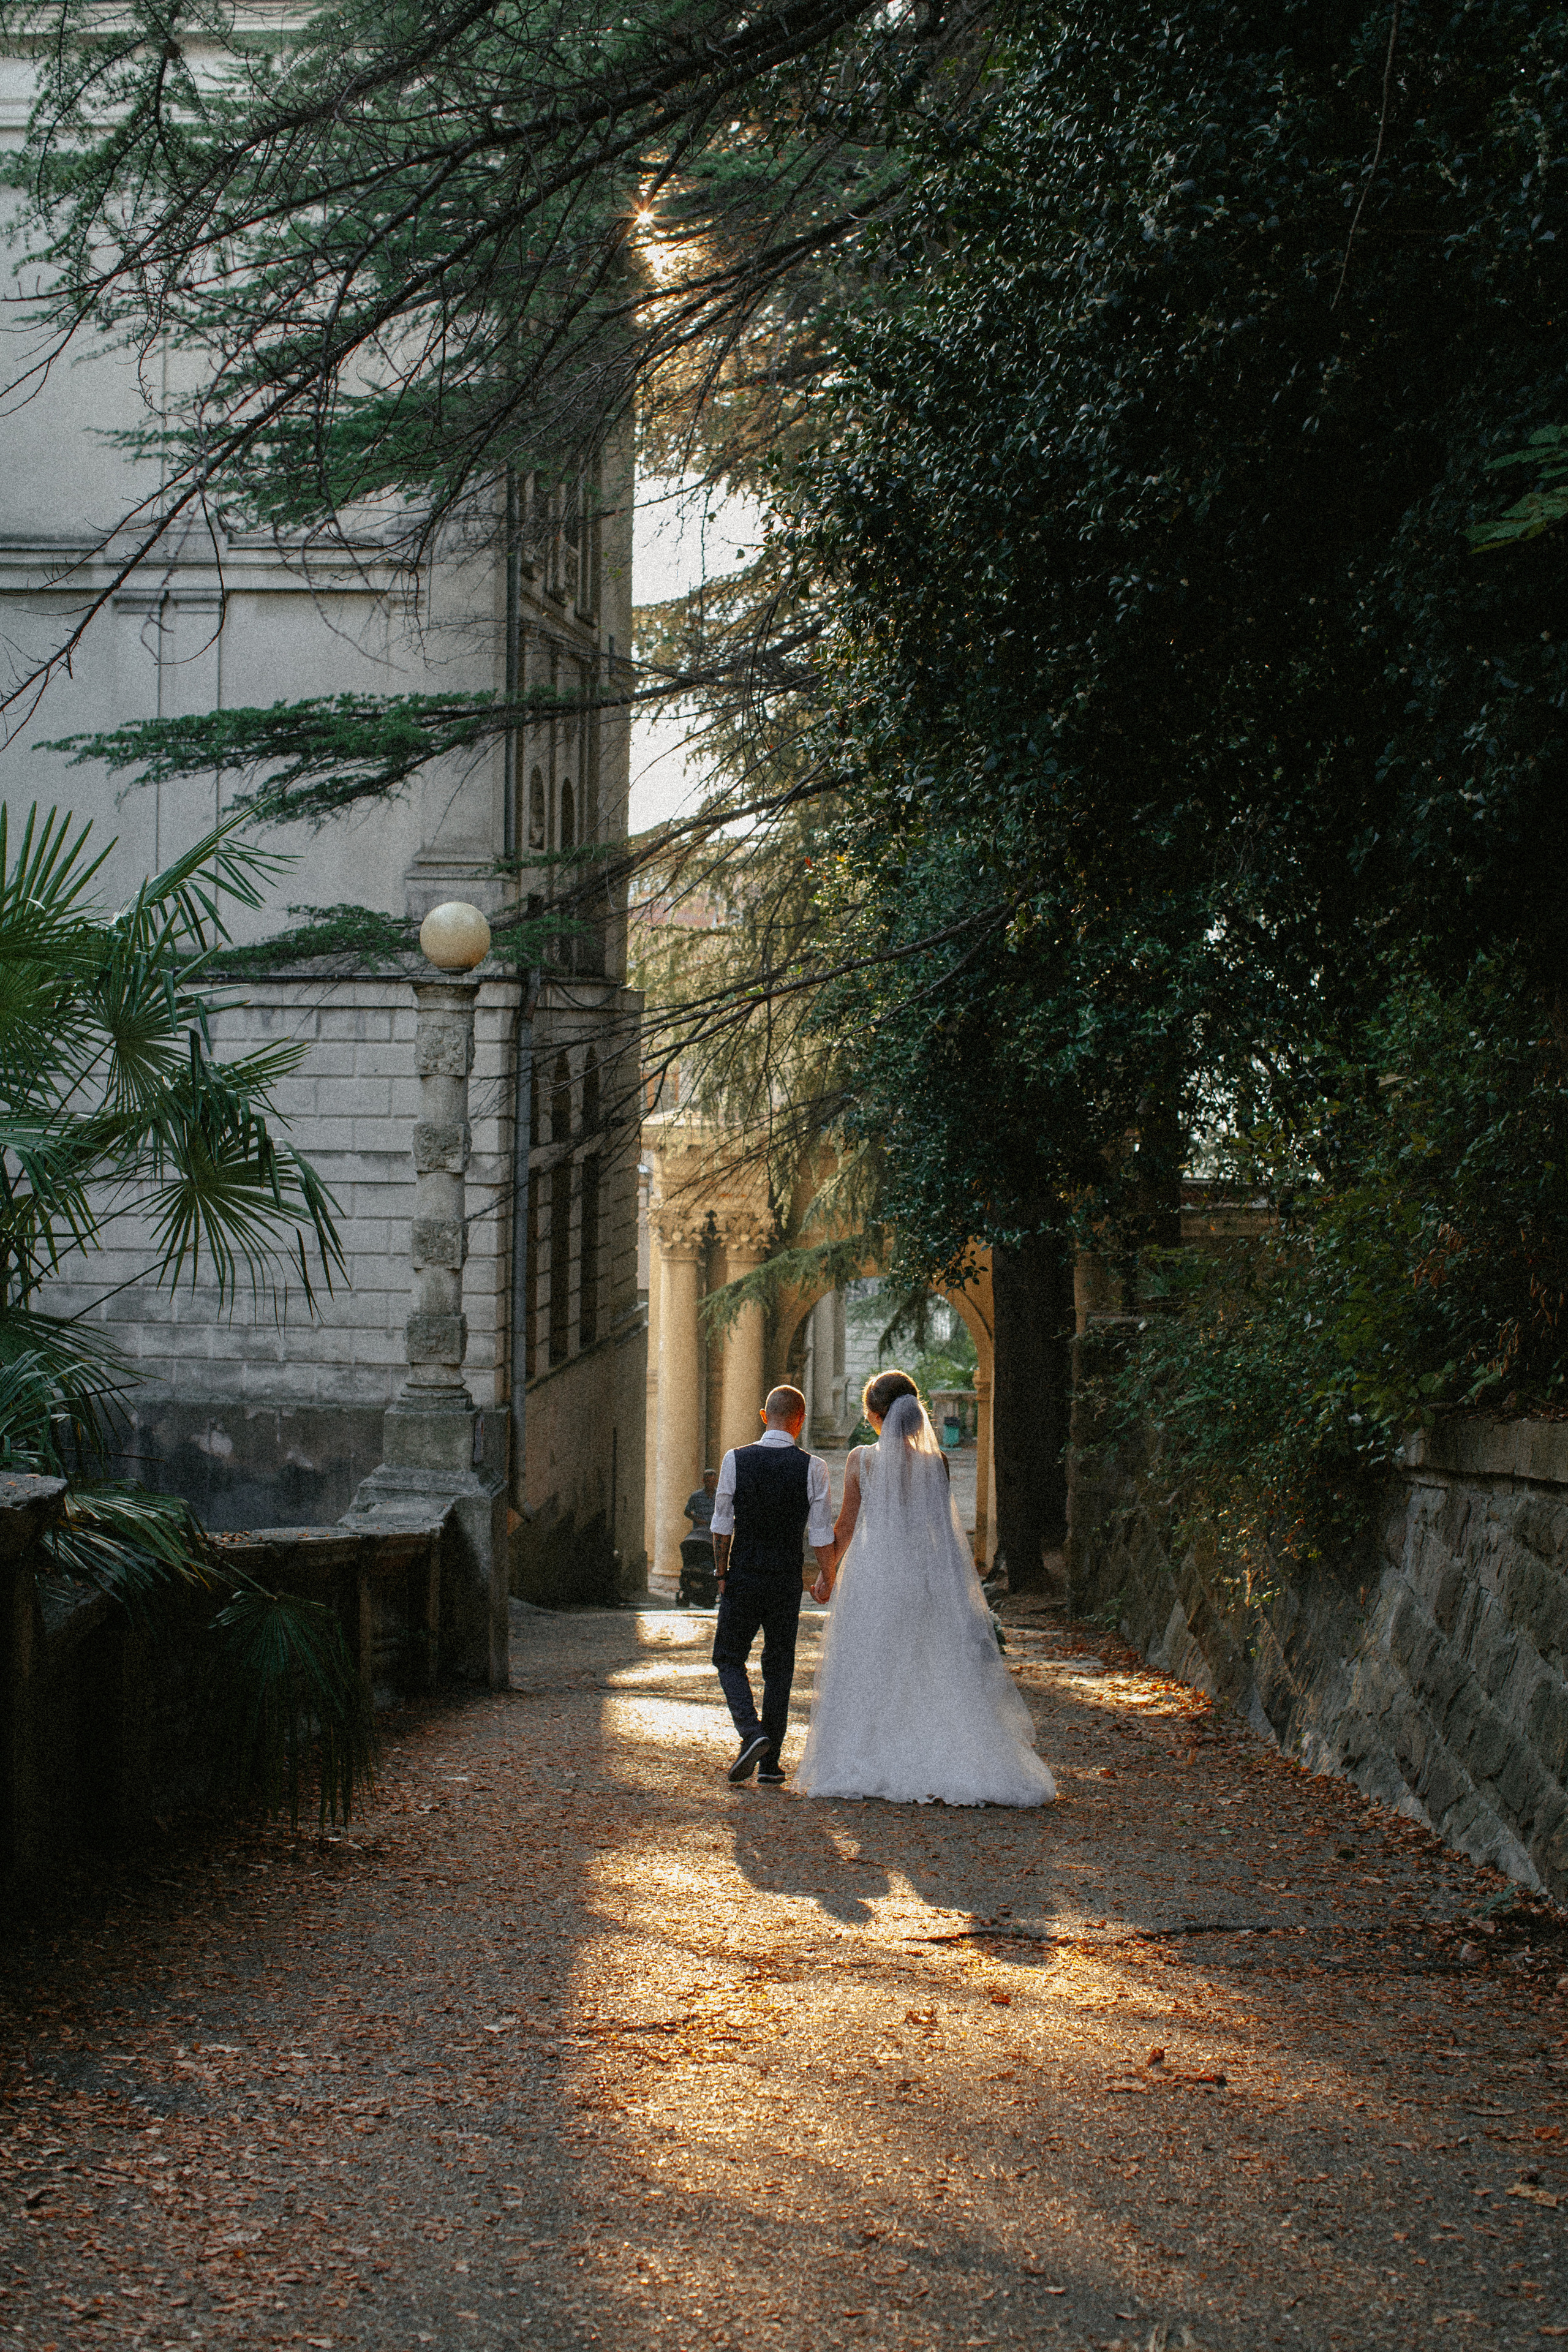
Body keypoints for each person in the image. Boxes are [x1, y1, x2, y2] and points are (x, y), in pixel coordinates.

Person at [796, 1369, 1056, 1807]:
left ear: (876, 1416)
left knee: (872, 1665)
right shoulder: (937, 1463)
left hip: (874, 1576)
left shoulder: (862, 1460)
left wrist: (827, 1575)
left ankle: (873, 1756)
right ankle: (934, 1753)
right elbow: (943, 1534)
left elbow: (845, 1528)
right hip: (921, 1576)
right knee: (925, 1662)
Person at [710, 1384, 836, 1785]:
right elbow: (820, 1533)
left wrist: (721, 1573)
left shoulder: (736, 1459)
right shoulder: (814, 1467)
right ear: (800, 1421)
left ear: (765, 1416)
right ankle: (770, 1764)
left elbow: (722, 1524)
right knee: (779, 1668)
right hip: (785, 1580)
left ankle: (752, 1733)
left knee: (728, 1657)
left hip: (744, 1574)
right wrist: (828, 1576)